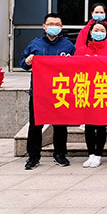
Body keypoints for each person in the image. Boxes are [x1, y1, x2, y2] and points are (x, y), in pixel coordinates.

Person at [21, 13, 75, 170]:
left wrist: (70, 61)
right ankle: (33, 157)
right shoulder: (35, 44)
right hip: (39, 92)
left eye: (57, 24)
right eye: (51, 24)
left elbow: (77, 66)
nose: (54, 27)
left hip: (60, 91)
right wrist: (27, 61)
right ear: (44, 26)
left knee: (60, 125)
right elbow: (23, 63)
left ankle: (60, 154)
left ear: (61, 27)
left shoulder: (68, 45)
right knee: (35, 125)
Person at [74, 21, 107, 169]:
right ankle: (90, 153)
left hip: (102, 90)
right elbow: (73, 69)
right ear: (90, 32)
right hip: (86, 90)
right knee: (89, 125)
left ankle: (98, 154)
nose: (99, 33)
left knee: (101, 125)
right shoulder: (81, 50)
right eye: (96, 30)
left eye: (102, 30)